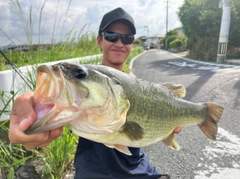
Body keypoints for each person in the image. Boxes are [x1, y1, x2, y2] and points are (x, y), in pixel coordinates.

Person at [9, 7, 181, 179]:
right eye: (111, 36)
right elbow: (49, 123)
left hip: (140, 170)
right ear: (99, 40)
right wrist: (32, 114)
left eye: (127, 38)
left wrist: (170, 123)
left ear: (131, 44)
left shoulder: (141, 91)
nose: (119, 42)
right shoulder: (80, 103)